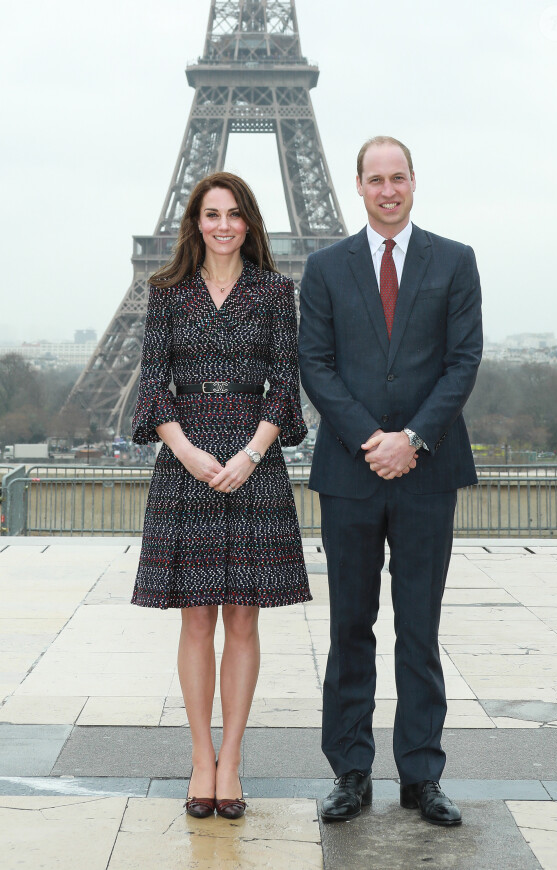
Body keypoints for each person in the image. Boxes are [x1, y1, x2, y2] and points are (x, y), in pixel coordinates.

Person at [298, 137, 482, 826]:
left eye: (397, 177)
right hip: (351, 470)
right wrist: (371, 439)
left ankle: (421, 776)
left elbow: (463, 362)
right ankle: (350, 771)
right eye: (375, 179)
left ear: (413, 182)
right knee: (350, 626)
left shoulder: (455, 261)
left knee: (419, 628)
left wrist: (414, 438)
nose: (387, 190)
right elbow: (314, 363)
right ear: (357, 186)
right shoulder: (325, 268)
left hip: (427, 469)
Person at [131, 171, 311, 820]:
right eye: (212, 214)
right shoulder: (166, 293)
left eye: (235, 214)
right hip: (188, 457)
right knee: (197, 616)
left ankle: (230, 759)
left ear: (250, 222)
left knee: (242, 616)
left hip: (251, 457)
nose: (224, 224)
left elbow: (285, 386)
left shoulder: (273, 292)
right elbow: (153, 383)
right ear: (195, 222)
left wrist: (251, 453)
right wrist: (186, 451)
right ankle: (199, 756)